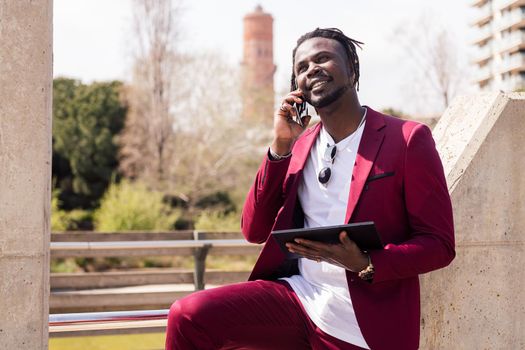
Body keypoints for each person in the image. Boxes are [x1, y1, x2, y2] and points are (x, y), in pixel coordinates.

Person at [165, 27, 455, 350]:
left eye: (323, 58)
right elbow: (253, 229)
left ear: (352, 68)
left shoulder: (407, 140)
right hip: (299, 300)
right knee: (187, 315)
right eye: (301, 67)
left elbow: (439, 244)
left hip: (364, 325)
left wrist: (366, 262)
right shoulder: (299, 145)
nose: (311, 69)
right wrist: (279, 148)